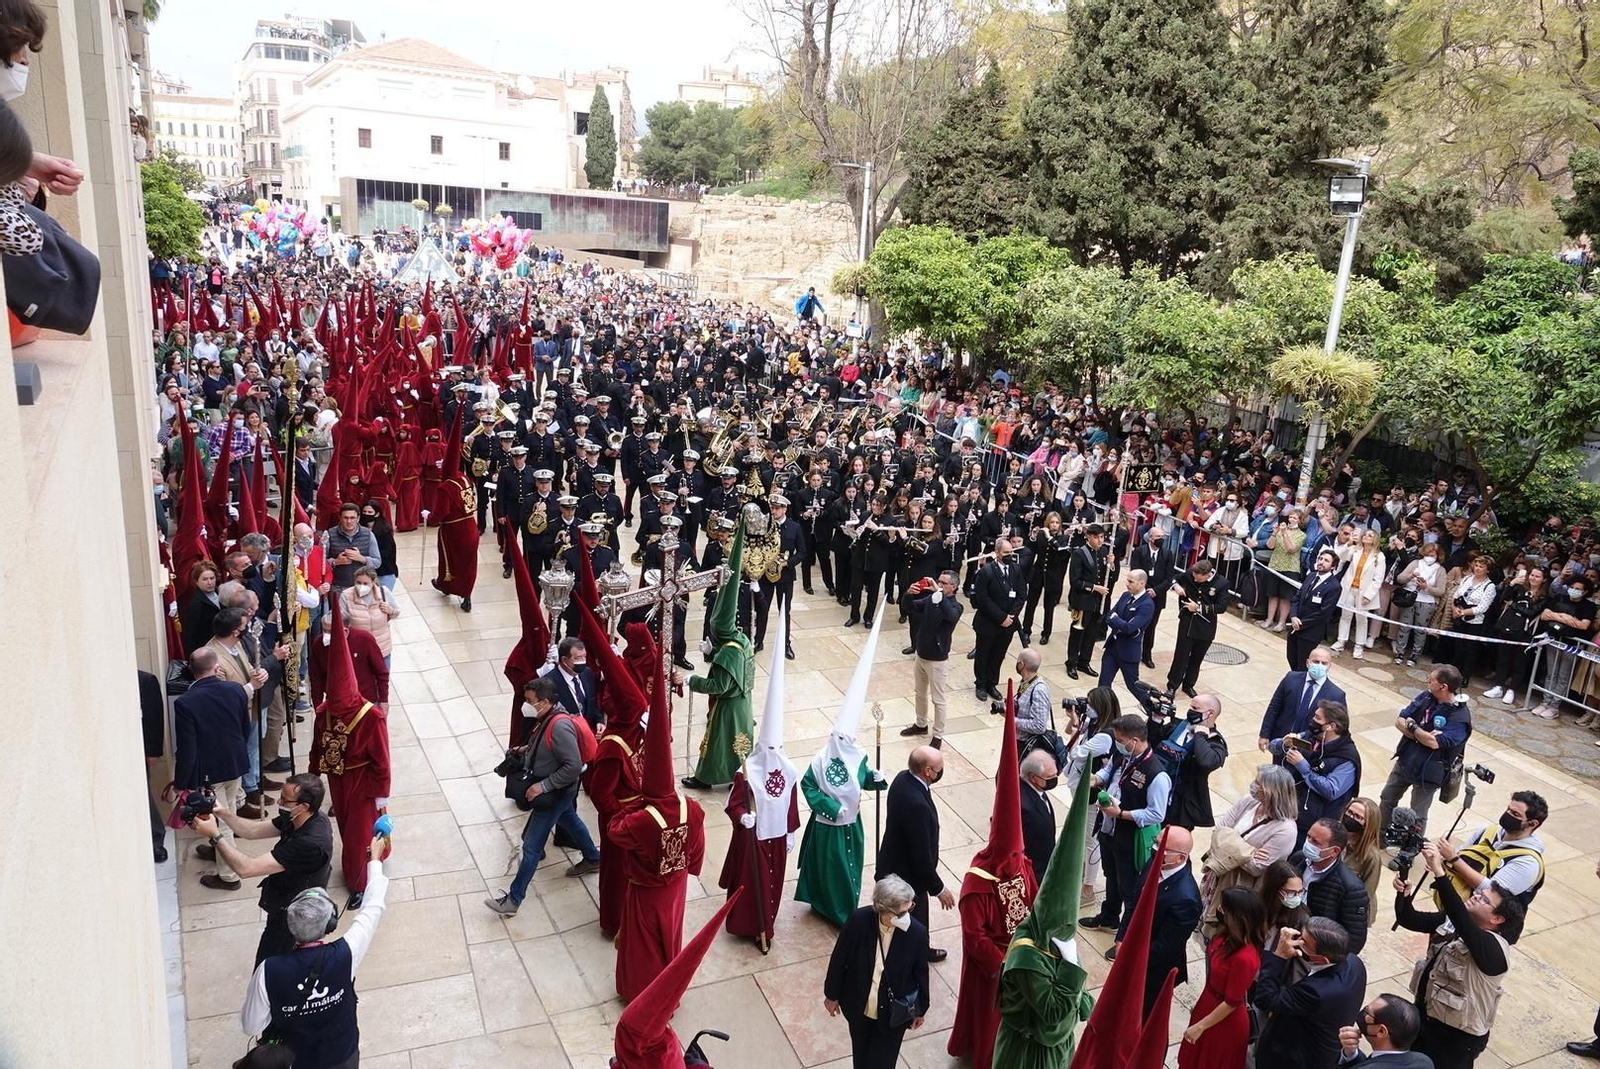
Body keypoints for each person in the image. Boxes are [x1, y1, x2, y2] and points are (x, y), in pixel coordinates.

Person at [238, 832, 392, 1069]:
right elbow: (373, 907)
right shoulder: (346, 953)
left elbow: (251, 1026)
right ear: (330, 925)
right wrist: (375, 860)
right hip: (343, 1056)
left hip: (296, 1062)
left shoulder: (269, 971)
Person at [947, 695, 1038, 1069]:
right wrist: (1003, 966)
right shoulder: (977, 884)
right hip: (993, 968)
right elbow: (975, 937)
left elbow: (1034, 904)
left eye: (1020, 854)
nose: (1017, 862)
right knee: (988, 1018)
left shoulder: (1022, 864)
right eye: (1011, 855)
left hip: (1023, 955)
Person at [608, 660, 706, 1002]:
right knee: (671, 936)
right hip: (676, 886)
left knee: (643, 943)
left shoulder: (642, 819)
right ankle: (670, 990)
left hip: (646, 889)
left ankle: (642, 993)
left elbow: (615, 831)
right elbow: (696, 850)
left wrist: (634, 805)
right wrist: (687, 867)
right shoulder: (691, 807)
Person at [1394, 841, 1524, 1067]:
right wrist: (1403, 894)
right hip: (1426, 1016)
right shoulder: (1453, 922)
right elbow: (1409, 919)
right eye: (1479, 893)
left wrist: (1439, 871)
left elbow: (1463, 922)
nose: (1476, 896)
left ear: (1497, 919)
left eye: (1484, 899)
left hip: (1456, 1036)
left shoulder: (1493, 948)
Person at [796, 613, 889, 926]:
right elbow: (808, 786)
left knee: (849, 868)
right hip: (829, 823)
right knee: (830, 868)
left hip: (852, 821)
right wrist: (831, 807)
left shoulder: (857, 755)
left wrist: (876, 779)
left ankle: (845, 909)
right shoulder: (820, 760)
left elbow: (861, 778)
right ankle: (835, 912)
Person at [484, 677, 602, 917]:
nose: (526, 705)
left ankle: (513, 900)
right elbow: (545, 746)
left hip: (555, 793)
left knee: (531, 846)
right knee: (569, 820)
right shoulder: (547, 717)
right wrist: (523, 751)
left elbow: (573, 765)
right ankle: (593, 858)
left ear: (545, 702)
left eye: (530, 701)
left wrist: (543, 786)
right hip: (559, 793)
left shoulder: (559, 726)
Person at [191, 772, 334, 965]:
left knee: (267, 965)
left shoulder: (309, 843)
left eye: (285, 800)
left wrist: (215, 835)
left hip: (294, 915)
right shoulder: (299, 817)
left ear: (304, 806)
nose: (279, 802)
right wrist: (222, 812)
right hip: (286, 899)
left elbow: (246, 869)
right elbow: (252, 831)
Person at [720, 609, 801, 949]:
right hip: (752, 837)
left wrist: (791, 829)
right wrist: (743, 816)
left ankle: (766, 924)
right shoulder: (747, 771)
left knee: (772, 885)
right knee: (751, 884)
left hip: (776, 836)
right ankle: (749, 925)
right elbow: (734, 803)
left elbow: (791, 801)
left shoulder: (788, 769)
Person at [307, 600, 391, 911]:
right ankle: (367, 859)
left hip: (362, 779)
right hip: (337, 777)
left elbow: (382, 760)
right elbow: (318, 744)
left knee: (358, 833)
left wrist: (381, 793)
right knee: (344, 823)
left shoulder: (371, 718)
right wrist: (312, 775)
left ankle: (360, 883)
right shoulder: (326, 712)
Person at [822, 876, 930, 1069]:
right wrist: (832, 995)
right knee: (861, 1059)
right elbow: (839, 959)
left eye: (909, 909)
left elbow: (921, 974)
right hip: (859, 1007)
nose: (907, 916)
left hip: (893, 1015)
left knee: (883, 1064)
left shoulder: (917, 933)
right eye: (901, 913)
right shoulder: (858, 921)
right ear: (883, 910)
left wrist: (921, 1009)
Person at [1082, 713, 1171, 941]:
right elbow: (1109, 772)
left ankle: (1127, 938)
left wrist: (1121, 814)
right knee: (1111, 875)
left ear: (1135, 740)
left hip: (1130, 839)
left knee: (1129, 889)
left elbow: (1156, 814)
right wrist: (1096, 779)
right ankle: (1109, 917)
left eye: (1120, 740)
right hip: (1108, 831)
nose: (1117, 744)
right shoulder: (1123, 755)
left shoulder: (1157, 774)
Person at [170, 647, 252, 890]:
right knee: (229, 812)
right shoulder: (236, 690)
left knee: (222, 821)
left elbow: (187, 748)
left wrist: (180, 783)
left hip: (209, 771)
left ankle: (229, 875)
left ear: (191, 670)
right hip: (234, 761)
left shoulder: (186, 702)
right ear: (217, 668)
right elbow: (244, 728)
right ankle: (220, 851)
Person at [683, 525, 755, 789]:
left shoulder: (728, 651)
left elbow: (719, 685)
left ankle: (706, 777)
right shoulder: (741, 640)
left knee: (718, 744)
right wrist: (713, 652)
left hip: (728, 707)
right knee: (741, 744)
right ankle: (741, 778)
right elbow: (736, 668)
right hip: (744, 704)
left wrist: (693, 681)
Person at [1253, 917, 1368, 1069]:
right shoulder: (1354, 962)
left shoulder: (1315, 992)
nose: (1297, 942)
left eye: (1304, 942)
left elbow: (1265, 999)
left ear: (1323, 960)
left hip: (1297, 1058)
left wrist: (1279, 955)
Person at [875, 746, 955, 962]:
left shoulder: (903, 778)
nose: (941, 771)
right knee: (910, 918)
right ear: (927, 771)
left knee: (911, 917)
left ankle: (916, 949)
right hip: (907, 876)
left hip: (894, 863)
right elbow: (920, 856)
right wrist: (939, 889)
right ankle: (914, 953)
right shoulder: (916, 805)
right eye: (939, 768)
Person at [1199, 765, 1299, 936]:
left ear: (1272, 791)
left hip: (1240, 888)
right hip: (1218, 874)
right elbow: (1218, 832)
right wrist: (1249, 851)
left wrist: (1230, 841)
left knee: (1223, 930)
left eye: (1259, 783)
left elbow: (1256, 867)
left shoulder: (1286, 830)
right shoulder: (1248, 802)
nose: (1254, 785)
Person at [1178, 886, 1264, 1069]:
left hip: (1225, 1022)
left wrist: (1201, 1026)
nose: (1218, 908)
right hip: (1208, 1002)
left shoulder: (1245, 957)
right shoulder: (1227, 935)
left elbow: (1232, 1002)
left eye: (1223, 907)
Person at [1379, 665, 1471, 835]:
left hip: (1429, 772)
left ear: (1443, 686)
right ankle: (1379, 835)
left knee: (1418, 814)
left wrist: (1413, 726)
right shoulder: (1427, 697)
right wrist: (1419, 735)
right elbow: (1400, 720)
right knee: (1387, 798)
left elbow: (1433, 743)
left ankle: (1411, 847)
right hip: (1406, 760)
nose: (1428, 681)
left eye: (1432, 679)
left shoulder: (1459, 717)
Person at [1434, 790, 1547, 905]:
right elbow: (1461, 855)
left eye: (1515, 814)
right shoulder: (1488, 830)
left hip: (1479, 915)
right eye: (1508, 809)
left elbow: (1491, 892)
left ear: (1533, 823)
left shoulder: (1528, 863)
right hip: (1453, 905)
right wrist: (1441, 859)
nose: (1508, 814)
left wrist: (1453, 859)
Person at [1272, 700, 1363, 839]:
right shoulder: (1311, 737)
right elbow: (1273, 747)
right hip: (1289, 812)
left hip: (1315, 827)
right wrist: (1283, 743)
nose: (1312, 721)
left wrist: (1303, 766)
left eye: (1317, 718)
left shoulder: (1347, 759)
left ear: (1331, 726)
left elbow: (1331, 790)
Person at [1137, 825, 1201, 1003]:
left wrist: (1134, 958)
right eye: (1156, 842)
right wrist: (1122, 937)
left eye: (1164, 848)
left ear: (1181, 857)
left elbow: (1165, 946)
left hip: (1152, 970)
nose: (1156, 849)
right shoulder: (1157, 862)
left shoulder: (1186, 899)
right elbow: (1134, 902)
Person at [902, 570, 962, 747]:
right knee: (919, 693)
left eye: (944, 583)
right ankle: (921, 724)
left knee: (938, 699)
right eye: (938, 581)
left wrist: (938, 594)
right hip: (921, 654)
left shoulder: (956, 606)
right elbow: (911, 607)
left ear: (954, 587)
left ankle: (938, 735)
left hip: (937, 660)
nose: (939, 585)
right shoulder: (931, 599)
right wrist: (908, 594)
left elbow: (950, 615)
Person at [1300, 816, 1372, 954]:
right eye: (1308, 837)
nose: (1308, 843)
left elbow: (1354, 940)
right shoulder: (1299, 860)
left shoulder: (1351, 888)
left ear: (1334, 851)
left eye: (1315, 842)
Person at [1258, 646, 1348, 756]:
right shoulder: (1291, 678)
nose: (1319, 666)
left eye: (1324, 663)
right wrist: (1264, 734)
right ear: (1307, 662)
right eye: (1316, 661)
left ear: (1329, 666)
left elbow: (1339, 728)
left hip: (1309, 750)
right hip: (1283, 741)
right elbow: (1274, 707)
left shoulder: (1336, 695)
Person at [1160, 692, 1229, 830]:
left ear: (1210, 713)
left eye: (1195, 708)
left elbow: (1207, 762)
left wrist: (1200, 736)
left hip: (1181, 805)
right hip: (1158, 791)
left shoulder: (1215, 742)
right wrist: (1155, 721)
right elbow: (1151, 742)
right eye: (1191, 707)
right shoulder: (1178, 726)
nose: (1190, 711)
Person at [1166, 559, 1230, 697]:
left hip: (1206, 624)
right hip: (1187, 622)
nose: (1194, 580)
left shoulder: (1221, 583)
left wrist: (1199, 608)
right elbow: (1173, 578)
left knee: (1197, 658)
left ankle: (1189, 684)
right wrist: (1176, 586)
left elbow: (1221, 607)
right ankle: (1172, 685)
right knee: (1181, 655)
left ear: (1207, 574)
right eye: (1194, 577)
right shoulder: (1190, 573)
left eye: (1198, 578)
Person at [972, 537, 1026, 702]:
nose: (1009, 555)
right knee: (983, 654)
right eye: (1005, 552)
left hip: (1008, 623)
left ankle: (991, 683)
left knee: (998, 655)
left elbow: (1022, 595)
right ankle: (981, 684)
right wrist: (1001, 617)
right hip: (989, 622)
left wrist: (1011, 616)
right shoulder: (986, 571)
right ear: (996, 553)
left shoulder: (1016, 569)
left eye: (1011, 552)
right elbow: (982, 599)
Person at [1337, 993, 1433, 1068]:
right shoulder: (1424, 1062)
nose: (1363, 1013)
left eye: (1367, 1012)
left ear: (1381, 1031)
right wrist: (1351, 1054)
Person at [1333, 528, 1387, 658]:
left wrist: (1369, 595)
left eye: (1370, 535)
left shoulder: (1379, 556)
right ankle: (1341, 641)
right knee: (1345, 615)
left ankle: (1359, 645)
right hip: (1349, 587)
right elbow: (1340, 556)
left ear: (1375, 540)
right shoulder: (1356, 550)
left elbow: (1378, 579)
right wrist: (1349, 543)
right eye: (1365, 534)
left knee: (1361, 619)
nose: (1366, 536)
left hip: (1364, 591)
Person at [1097, 567, 1154, 689]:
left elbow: (1129, 628)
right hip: (1112, 647)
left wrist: (1116, 619)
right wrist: (1118, 621)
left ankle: (1151, 701)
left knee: (1134, 687)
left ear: (1142, 583)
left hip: (1128, 651)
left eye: (1131, 582)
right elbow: (1109, 616)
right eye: (1127, 580)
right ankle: (1102, 702)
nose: (1127, 584)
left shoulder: (1147, 605)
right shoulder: (1125, 596)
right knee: (1103, 685)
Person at [1288, 549, 1345, 670]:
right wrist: (1293, 616)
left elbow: (1324, 613)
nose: (1321, 562)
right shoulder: (1311, 576)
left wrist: (1301, 624)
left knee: (1302, 665)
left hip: (1310, 632)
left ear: (1333, 566)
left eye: (1326, 560)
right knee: (1292, 658)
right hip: (1295, 626)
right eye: (1320, 559)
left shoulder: (1334, 586)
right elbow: (1297, 598)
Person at [337, 565, 399, 670]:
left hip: (382, 648)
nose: (361, 586)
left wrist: (390, 611)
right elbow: (341, 619)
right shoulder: (346, 596)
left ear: (373, 582)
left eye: (365, 583)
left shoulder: (383, 592)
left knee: (383, 677)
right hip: (359, 650)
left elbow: (396, 611)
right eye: (358, 583)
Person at [540, 636, 600, 729]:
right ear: (564, 660)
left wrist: (599, 721)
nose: (583, 662)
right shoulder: (549, 683)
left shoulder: (587, 673)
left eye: (584, 657)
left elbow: (593, 704)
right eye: (578, 658)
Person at [325, 503, 380, 595]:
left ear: (358, 518)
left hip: (363, 587)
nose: (349, 521)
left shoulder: (368, 534)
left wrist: (362, 558)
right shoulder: (329, 535)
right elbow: (319, 562)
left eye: (352, 518)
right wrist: (336, 562)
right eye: (345, 518)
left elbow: (377, 562)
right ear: (340, 518)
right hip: (338, 587)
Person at [1341, 797, 1386, 905]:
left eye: (1358, 817)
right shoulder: (1333, 834)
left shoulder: (1371, 856)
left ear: (1368, 824)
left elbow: (1367, 892)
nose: (1351, 817)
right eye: (1349, 812)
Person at [1013, 647, 1054, 754]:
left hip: (1027, 747)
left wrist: (1013, 720)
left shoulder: (1039, 690)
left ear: (1021, 664)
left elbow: (1039, 726)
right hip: (1017, 741)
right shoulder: (1026, 682)